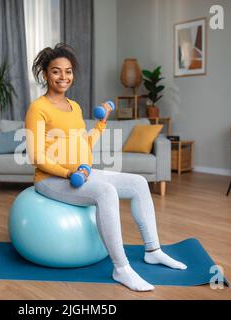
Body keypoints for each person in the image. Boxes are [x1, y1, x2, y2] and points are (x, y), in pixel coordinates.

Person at [25, 43, 187, 292]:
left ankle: (153, 250)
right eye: (56, 71)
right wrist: (69, 173)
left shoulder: (74, 106)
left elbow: (83, 144)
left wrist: (100, 124)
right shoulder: (38, 108)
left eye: (68, 71)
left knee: (138, 183)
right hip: (50, 179)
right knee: (106, 192)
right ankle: (121, 268)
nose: (63, 77)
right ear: (45, 74)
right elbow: (35, 156)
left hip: (80, 172)